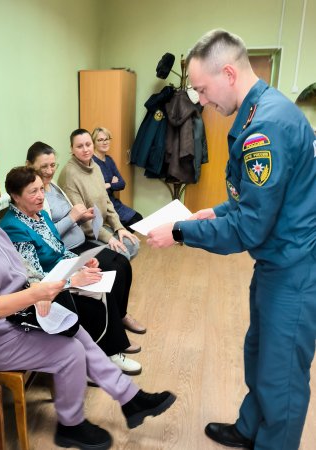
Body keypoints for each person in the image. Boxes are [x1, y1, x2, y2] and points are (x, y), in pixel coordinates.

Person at [147, 29, 316, 450]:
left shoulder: (267, 128)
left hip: (295, 267)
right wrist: (215, 211)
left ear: (228, 72)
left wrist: (182, 231)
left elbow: (249, 227)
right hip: (279, 258)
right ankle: (250, 429)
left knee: (282, 379)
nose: (201, 101)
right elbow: (257, 199)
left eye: (203, 90)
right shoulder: (262, 110)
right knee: (258, 353)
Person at [0, 164, 176, 449]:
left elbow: (25, 272)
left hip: (18, 318)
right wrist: (36, 294)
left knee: (75, 328)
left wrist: (69, 278)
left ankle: (131, 400)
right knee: (69, 353)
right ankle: (71, 426)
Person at [0, 166, 142, 374]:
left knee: (100, 279)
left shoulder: (40, 215)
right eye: (33, 192)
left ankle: (110, 350)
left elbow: (60, 249)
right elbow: (35, 278)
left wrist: (81, 262)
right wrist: (73, 280)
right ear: (15, 196)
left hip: (62, 274)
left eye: (41, 189)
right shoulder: (14, 228)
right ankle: (99, 360)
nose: (41, 196)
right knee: (93, 298)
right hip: (45, 290)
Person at [25, 141, 147, 336]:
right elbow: (46, 234)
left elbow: (104, 202)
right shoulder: (37, 195)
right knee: (112, 268)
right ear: (29, 165)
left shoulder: (54, 186)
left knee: (123, 263)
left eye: (52, 165)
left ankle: (121, 315)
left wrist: (81, 217)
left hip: (81, 240)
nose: (49, 171)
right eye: (43, 166)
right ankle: (112, 328)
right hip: (68, 250)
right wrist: (73, 217)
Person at [58, 128, 140, 261]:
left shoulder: (95, 166)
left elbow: (107, 201)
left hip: (102, 226)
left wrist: (119, 227)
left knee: (133, 245)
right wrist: (109, 238)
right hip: (87, 232)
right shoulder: (70, 174)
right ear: (72, 148)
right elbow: (83, 219)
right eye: (79, 146)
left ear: (92, 145)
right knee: (121, 253)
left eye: (88, 144)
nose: (85, 149)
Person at [91, 127, 143, 232]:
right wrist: (112, 183)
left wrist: (109, 185)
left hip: (114, 202)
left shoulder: (109, 160)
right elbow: (97, 189)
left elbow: (122, 184)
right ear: (93, 143)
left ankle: (118, 237)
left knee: (138, 219)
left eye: (106, 139)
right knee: (133, 222)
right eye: (100, 140)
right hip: (102, 205)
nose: (104, 142)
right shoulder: (91, 162)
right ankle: (117, 237)